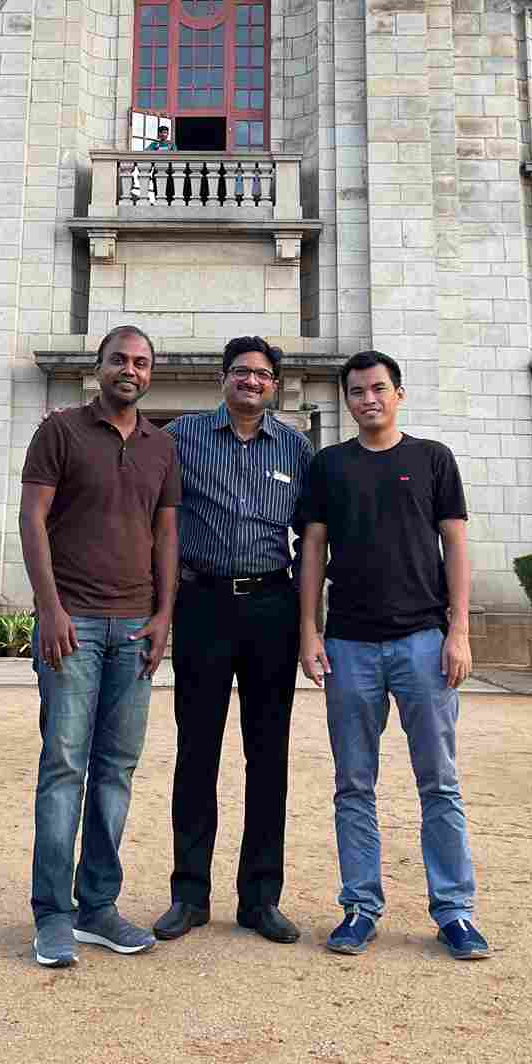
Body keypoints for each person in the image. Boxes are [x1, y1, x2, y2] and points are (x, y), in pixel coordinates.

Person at [297, 350, 488, 961]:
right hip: (350, 644)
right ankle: (359, 907)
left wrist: (458, 631)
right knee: (354, 784)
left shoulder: (432, 460)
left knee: (440, 782)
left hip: (422, 644)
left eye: (378, 388)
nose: (368, 399)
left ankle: (455, 912)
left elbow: (454, 546)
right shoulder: (329, 466)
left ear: (398, 393)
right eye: (356, 391)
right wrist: (310, 628)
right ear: (346, 401)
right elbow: (313, 552)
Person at [19, 325, 181, 969]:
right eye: (120, 359)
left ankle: (98, 906)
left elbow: (166, 534)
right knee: (64, 767)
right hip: (73, 626)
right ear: (99, 366)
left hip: (136, 629)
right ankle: (52, 915)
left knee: (117, 770)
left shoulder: (161, 447)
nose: (130, 370)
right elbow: (32, 520)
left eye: (142, 362)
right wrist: (50, 608)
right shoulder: (59, 430)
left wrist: (165, 614)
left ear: (151, 372)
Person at [153, 337, 313, 946]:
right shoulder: (183, 437)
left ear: (275, 385)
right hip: (203, 604)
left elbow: (313, 538)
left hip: (272, 604)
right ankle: (188, 895)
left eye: (262, 375)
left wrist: (308, 623)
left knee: (267, 756)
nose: (251, 382)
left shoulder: (296, 448)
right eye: (241, 372)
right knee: (197, 751)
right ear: (223, 379)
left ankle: (260, 900)